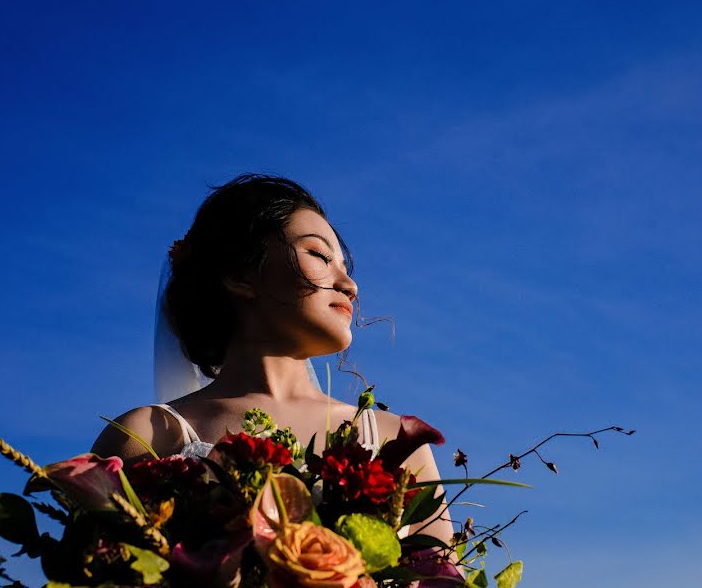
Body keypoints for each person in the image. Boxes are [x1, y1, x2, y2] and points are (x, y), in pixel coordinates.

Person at [91, 174, 453, 546]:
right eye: (319, 255)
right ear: (238, 274)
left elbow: (441, 577)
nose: (349, 285)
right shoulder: (148, 435)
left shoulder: (398, 441)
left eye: (345, 267)